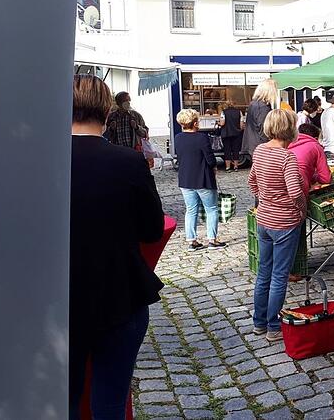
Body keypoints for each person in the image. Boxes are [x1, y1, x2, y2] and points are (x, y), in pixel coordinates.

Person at [69, 75, 164, 419]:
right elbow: (153, 229)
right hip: (118, 294)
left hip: (60, 296)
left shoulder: (42, 161)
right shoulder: (127, 162)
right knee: (109, 402)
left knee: (63, 399)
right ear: (107, 112)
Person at [248, 109, 306, 341]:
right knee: (280, 276)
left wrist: (264, 199)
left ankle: (259, 323)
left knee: (264, 273)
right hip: (285, 223)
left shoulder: (260, 150)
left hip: (264, 220)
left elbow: (251, 181)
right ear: (290, 129)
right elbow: (295, 191)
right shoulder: (287, 157)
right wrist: (301, 210)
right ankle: (273, 327)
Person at [175, 108, 226, 250]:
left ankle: (191, 241)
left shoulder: (178, 138)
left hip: (185, 179)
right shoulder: (202, 138)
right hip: (203, 179)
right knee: (211, 209)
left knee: (191, 210)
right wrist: (214, 167)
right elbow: (210, 159)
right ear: (195, 123)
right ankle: (212, 239)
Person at [286, 123, 331, 281]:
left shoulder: (288, 143)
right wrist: (313, 179)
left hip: (278, 192)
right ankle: (287, 271)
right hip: (298, 191)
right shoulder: (315, 146)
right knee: (293, 232)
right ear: (315, 136)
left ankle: (282, 270)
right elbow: (326, 177)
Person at [242, 78, 277, 157]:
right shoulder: (263, 107)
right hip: (261, 146)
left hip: (253, 144)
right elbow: (264, 129)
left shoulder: (253, 104)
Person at [218, 102, 244, 171]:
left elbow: (222, 123)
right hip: (236, 134)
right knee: (236, 150)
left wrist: (218, 123)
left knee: (227, 150)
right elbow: (241, 125)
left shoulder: (223, 112)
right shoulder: (239, 112)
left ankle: (228, 167)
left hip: (226, 134)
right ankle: (236, 167)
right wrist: (239, 129)